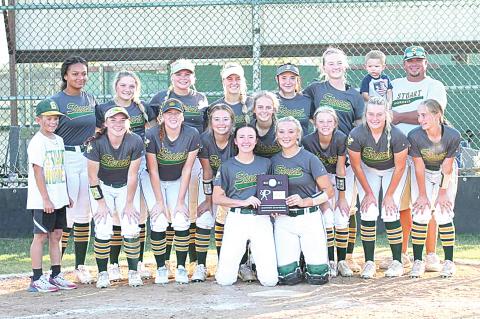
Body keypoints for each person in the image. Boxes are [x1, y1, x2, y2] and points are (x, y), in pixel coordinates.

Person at [303, 47, 365, 272]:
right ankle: (323, 257)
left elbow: (359, 125)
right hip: (319, 158)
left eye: (339, 63)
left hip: (344, 156)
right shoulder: (315, 89)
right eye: (330, 63)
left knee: (347, 209)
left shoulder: (354, 94)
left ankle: (346, 257)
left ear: (345, 65)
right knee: (323, 211)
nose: (335, 67)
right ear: (323, 67)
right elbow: (307, 113)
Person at [389, 45, 448, 272]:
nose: (414, 64)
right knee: (404, 204)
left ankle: (431, 254)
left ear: (426, 63)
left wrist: (400, 115)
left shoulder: (434, 86)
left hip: (427, 151)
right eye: (410, 61)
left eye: (418, 61)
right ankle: (403, 254)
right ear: (404, 64)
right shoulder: (394, 85)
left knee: (428, 203)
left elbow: (433, 115)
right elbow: (384, 113)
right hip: (400, 152)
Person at [96, 71, 156, 281]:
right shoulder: (103, 108)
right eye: (123, 85)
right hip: (115, 164)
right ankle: (112, 264)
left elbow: (152, 129)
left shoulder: (143, 108)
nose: (127, 90)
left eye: (132, 86)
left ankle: (136, 263)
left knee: (139, 215)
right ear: (116, 87)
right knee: (114, 216)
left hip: (138, 161)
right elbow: (100, 135)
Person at [149, 60, 208, 275]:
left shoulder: (200, 98)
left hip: (193, 158)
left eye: (188, 74)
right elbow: (151, 125)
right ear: (171, 76)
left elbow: (206, 126)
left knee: (189, 212)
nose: (183, 78)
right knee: (166, 214)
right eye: (179, 74)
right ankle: (164, 263)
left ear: (193, 77)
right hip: (165, 158)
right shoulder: (160, 98)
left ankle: (191, 261)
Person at [347, 97, 409, 279]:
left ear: (387, 115)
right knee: (368, 210)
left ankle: (397, 261)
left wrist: (389, 195)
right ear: (365, 114)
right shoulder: (357, 134)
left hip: (392, 170)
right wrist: (367, 193)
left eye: (379, 114)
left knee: (390, 210)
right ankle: (369, 262)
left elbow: (400, 167)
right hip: (368, 169)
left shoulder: (397, 135)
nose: (375, 118)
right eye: (371, 114)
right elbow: (357, 166)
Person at [85, 107, 145, 288]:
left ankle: (134, 272)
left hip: (126, 187)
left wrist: (128, 203)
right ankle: (103, 273)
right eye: (113, 120)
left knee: (131, 226)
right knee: (103, 228)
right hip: (102, 186)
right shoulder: (95, 142)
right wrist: (101, 204)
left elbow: (133, 175)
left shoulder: (135, 140)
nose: (118, 124)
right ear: (105, 123)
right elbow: (92, 178)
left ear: (128, 122)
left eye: (122, 120)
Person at [213, 124, 278, 287]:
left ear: (256, 141)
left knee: (270, 281)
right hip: (237, 218)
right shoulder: (227, 166)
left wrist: (274, 207)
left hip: (261, 219)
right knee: (225, 280)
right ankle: (239, 266)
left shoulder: (266, 163)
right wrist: (243, 202)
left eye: (250, 137)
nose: (246, 141)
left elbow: (274, 191)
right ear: (235, 141)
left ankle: (255, 264)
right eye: (242, 137)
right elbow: (217, 197)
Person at [271, 117, 334, 285]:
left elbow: (329, 191)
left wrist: (306, 201)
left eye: (291, 132)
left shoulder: (309, 158)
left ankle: (311, 263)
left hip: (309, 218)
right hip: (284, 220)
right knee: (287, 277)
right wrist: (271, 207)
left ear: (298, 134)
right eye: (281, 132)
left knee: (318, 277)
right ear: (276, 135)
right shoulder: (273, 161)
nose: (286, 136)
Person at [144, 98, 200, 284]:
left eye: (177, 113)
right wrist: (160, 202)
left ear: (183, 116)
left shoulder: (191, 133)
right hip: (155, 179)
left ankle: (181, 268)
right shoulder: (152, 134)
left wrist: (180, 201)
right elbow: (152, 169)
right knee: (159, 220)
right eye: (169, 113)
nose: (173, 117)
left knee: (180, 218)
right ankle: (161, 267)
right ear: (162, 116)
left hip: (178, 179)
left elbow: (187, 169)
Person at [52, 56, 97, 284]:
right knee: (64, 214)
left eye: (83, 73)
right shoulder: (56, 101)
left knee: (83, 215)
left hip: (87, 158)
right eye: (75, 73)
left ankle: (80, 266)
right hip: (65, 158)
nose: (80, 77)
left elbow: (97, 127)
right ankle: (56, 269)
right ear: (65, 76)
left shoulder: (90, 99)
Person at [27, 99, 77, 292]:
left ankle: (56, 275)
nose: (53, 122)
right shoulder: (37, 142)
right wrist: (46, 198)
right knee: (40, 236)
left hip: (59, 197)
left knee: (57, 235)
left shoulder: (59, 140)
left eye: (55, 118)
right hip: (43, 199)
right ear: (38, 119)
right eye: (48, 118)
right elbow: (38, 172)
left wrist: (65, 195)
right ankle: (37, 278)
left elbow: (61, 169)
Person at [408, 99, 461, 278]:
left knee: (443, 212)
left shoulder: (452, 135)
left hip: (443, 174)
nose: (420, 119)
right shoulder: (415, 136)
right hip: (423, 173)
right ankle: (417, 261)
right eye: (418, 115)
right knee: (421, 212)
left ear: (437, 115)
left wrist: (442, 193)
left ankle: (448, 261)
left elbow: (447, 168)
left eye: (424, 115)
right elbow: (418, 167)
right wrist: (423, 195)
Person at [302, 107, 355, 277]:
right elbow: (312, 172)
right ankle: (329, 261)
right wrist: (323, 200)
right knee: (327, 217)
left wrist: (341, 198)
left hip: (340, 177)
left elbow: (340, 169)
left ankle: (342, 261)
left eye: (329, 121)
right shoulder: (308, 141)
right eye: (321, 121)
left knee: (341, 216)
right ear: (314, 122)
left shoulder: (340, 138)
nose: (325, 125)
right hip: (319, 179)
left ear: (335, 123)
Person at [193, 104, 237, 282]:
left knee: (228, 220)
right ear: (210, 121)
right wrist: (209, 200)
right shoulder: (204, 139)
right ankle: (201, 266)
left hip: (233, 184)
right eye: (216, 119)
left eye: (225, 119)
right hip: (210, 182)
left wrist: (224, 197)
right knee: (205, 218)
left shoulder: (236, 138)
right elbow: (207, 172)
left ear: (232, 121)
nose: (221, 123)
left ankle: (224, 265)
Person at [209, 62, 253, 128]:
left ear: (243, 81)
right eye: (230, 79)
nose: (234, 82)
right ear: (223, 81)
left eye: (238, 79)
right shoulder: (215, 107)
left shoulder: (251, 103)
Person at [275, 63, 312, 135]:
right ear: (277, 79)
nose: (288, 82)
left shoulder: (307, 101)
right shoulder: (272, 100)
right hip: (276, 145)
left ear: (297, 79)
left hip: (302, 145)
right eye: (284, 78)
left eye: (292, 78)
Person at [252, 91, 282, 158]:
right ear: (254, 109)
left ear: (273, 110)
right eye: (260, 107)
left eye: (268, 107)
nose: (264, 111)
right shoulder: (248, 129)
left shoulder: (282, 129)